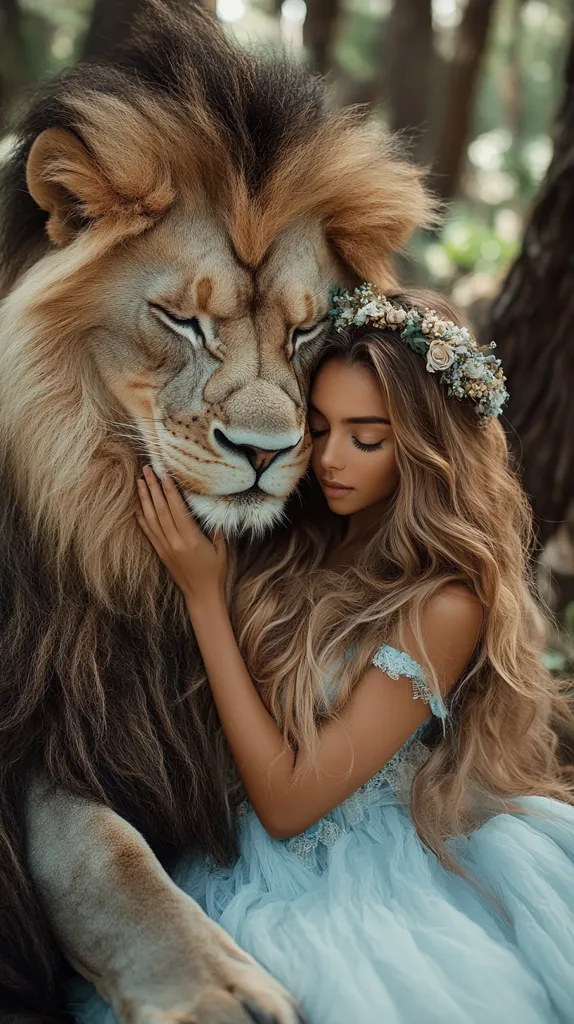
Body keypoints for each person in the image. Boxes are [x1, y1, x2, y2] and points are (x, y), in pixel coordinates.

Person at [77, 286, 574, 1024]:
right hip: (220, 843)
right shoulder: (294, 542)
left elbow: (288, 804)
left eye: (367, 438)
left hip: (350, 878)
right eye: (319, 428)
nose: (332, 460)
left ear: (426, 449)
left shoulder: (442, 607)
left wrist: (206, 600)